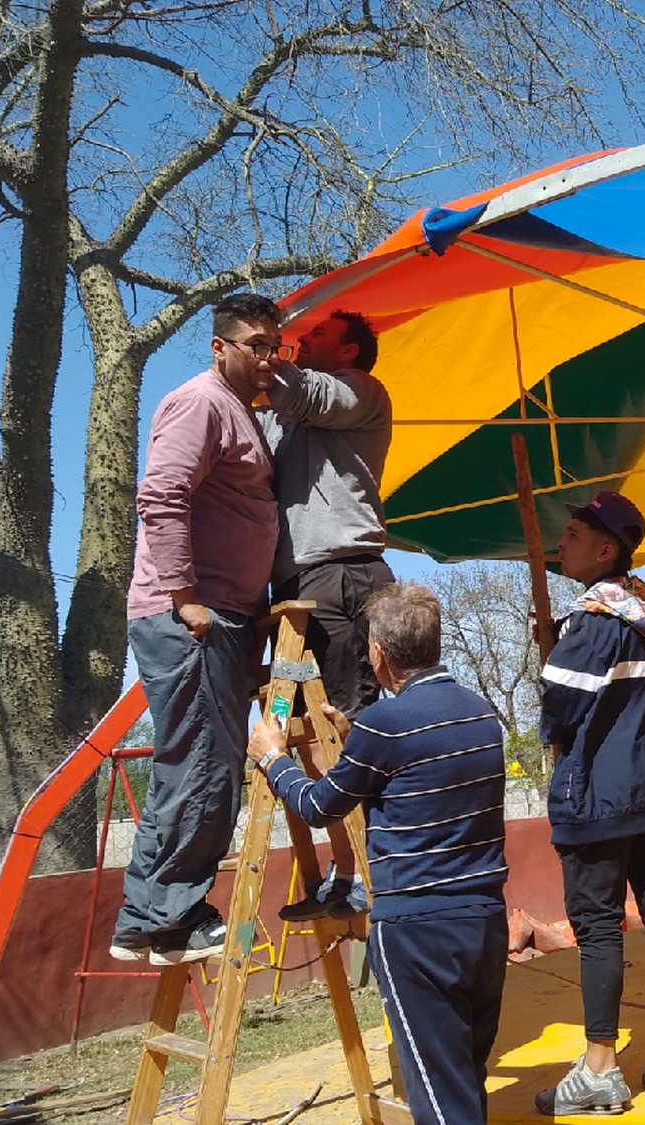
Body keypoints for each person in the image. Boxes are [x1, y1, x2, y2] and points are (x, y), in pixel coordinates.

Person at [246, 582, 508, 1125]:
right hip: (483, 920)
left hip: (417, 931)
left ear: (380, 654)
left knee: (439, 1096)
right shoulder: (481, 714)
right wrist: (357, 736)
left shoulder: (386, 727)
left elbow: (319, 806)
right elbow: (417, 770)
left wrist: (274, 759)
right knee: (463, 1076)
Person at [109, 291, 284, 966]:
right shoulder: (201, 402)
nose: (270, 357)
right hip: (192, 614)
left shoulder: (242, 411)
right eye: (257, 345)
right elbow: (160, 495)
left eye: (276, 345)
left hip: (223, 613)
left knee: (194, 764)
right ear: (220, 346)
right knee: (206, 766)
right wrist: (184, 596)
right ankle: (174, 911)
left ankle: (146, 921)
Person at [535, 491, 645, 1116]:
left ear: (606, 550)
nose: (563, 543)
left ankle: (600, 1069)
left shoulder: (596, 620)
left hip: (600, 798)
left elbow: (560, 707)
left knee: (599, 928)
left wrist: (554, 653)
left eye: (575, 535)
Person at [258, 309, 393, 920]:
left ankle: (380, 869)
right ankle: (342, 867)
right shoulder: (290, 416)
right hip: (292, 598)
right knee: (301, 729)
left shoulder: (359, 391)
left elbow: (308, 391)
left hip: (343, 579)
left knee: (350, 722)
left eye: (316, 335)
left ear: (350, 348)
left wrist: (264, 360)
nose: (300, 340)